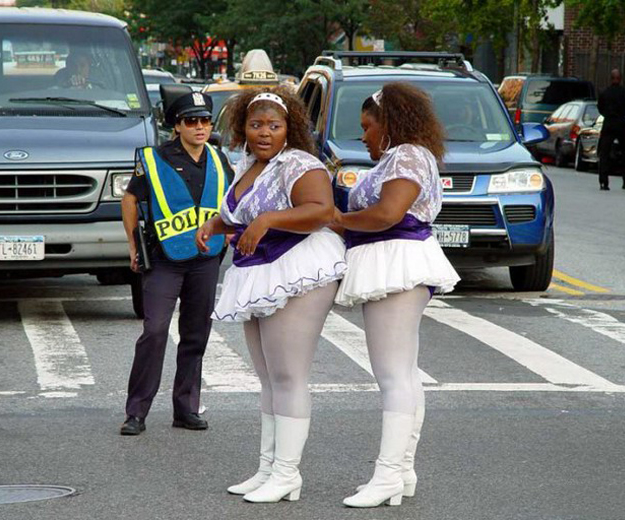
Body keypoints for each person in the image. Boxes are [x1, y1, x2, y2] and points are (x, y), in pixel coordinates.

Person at [195, 87, 347, 503]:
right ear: (243, 127)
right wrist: (215, 225)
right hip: (259, 272)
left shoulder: (300, 163)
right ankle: (267, 468)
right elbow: (239, 217)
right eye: (256, 124)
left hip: (298, 269)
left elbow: (321, 210)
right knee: (268, 377)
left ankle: (288, 474)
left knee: (288, 375)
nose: (264, 132)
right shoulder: (247, 165)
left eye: (274, 126)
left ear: (289, 128)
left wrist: (268, 220)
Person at [333, 83, 460, 508]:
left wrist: (338, 221)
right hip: (399, 260)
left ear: (389, 124)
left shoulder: (406, 155)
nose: (364, 136)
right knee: (404, 373)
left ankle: (388, 474)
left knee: (392, 375)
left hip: (397, 262)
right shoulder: (407, 155)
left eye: (368, 127)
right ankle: (401, 471)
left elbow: (389, 213)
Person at [119, 90, 233, 436]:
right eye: (191, 121)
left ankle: (185, 408)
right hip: (165, 259)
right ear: (177, 126)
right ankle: (136, 412)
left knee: (195, 335)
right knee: (154, 331)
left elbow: (231, 197)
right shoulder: (156, 159)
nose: (200, 127)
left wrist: (229, 230)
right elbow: (130, 197)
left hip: (206, 258)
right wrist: (131, 244)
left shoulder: (218, 157)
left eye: (205, 121)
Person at [597, 69, 625, 190]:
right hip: (621, 123)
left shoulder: (605, 93)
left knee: (604, 153)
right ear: (620, 79)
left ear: (611, 78)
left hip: (608, 123)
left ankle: (604, 182)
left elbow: (600, 107)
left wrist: (607, 114)